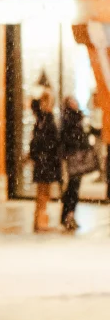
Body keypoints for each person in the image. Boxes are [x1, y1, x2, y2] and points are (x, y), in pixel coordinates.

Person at [29, 89, 61, 233]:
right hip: (45, 162)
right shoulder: (45, 119)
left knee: (43, 193)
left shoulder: (42, 119)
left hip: (45, 161)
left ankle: (39, 220)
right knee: (43, 193)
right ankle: (41, 222)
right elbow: (47, 141)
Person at [60, 95, 93, 232]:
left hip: (79, 155)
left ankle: (70, 215)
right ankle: (67, 215)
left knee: (75, 187)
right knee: (72, 187)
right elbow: (66, 137)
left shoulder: (79, 118)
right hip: (73, 156)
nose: (74, 103)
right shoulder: (68, 119)